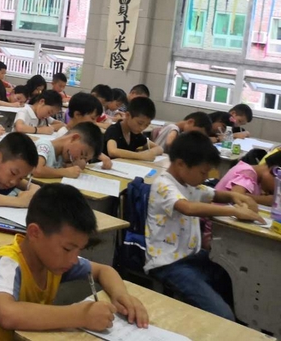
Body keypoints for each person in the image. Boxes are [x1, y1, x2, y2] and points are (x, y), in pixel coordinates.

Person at [0, 184, 149, 339]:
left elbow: (103, 271)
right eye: (68, 249)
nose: (73, 259)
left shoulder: (53, 261)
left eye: (79, 250)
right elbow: (7, 314)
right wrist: (81, 315)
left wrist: (120, 296)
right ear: (34, 233)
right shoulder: (7, 263)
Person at [144, 131, 263, 320]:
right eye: (203, 172)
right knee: (223, 315)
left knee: (237, 278)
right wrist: (234, 211)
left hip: (191, 256)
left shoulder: (190, 184)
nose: (205, 177)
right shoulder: (163, 185)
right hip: (167, 263)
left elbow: (214, 194)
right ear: (181, 164)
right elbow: (187, 207)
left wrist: (235, 196)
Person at [32, 122, 103, 179]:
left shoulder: (62, 156)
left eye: (82, 158)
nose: (77, 158)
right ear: (75, 138)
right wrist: (65, 172)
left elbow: (79, 165)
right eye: (81, 153)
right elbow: (37, 170)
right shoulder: (44, 146)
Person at [215, 148, 281, 206]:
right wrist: (265, 200)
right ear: (275, 170)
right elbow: (237, 197)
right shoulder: (248, 173)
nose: (276, 190)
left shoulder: (257, 178)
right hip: (217, 214)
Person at [103, 96, 162, 161]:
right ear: (128, 115)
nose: (142, 128)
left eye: (146, 125)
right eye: (140, 123)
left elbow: (159, 148)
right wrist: (140, 156)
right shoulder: (114, 130)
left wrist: (150, 153)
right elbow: (112, 151)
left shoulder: (135, 134)